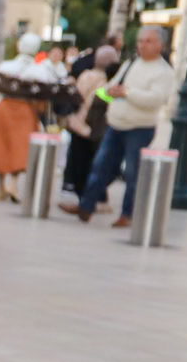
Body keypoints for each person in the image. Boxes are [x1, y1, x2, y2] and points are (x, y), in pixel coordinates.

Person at [75, 25, 177, 225]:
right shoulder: (131, 63)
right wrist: (108, 91)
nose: (143, 45)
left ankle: (127, 214)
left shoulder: (163, 72)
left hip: (139, 128)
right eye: (141, 40)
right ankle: (86, 206)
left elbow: (157, 99)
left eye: (149, 41)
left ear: (161, 46)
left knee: (132, 172)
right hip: (115, 124)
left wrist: (127, 93)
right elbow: (112, 85)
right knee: (100, 165)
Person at [0, 31, 65, 203]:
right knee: (21, 147)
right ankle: (13, 182)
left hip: (4, 107)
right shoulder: (40, 70)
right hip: (25, 109)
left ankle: (2, 185)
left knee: (2, 146)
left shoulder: (5, 66)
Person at [61, 44, 118, 197]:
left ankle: (78, 190)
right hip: (92, 125)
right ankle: (86, 192)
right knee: (90, 160)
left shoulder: (87, 75)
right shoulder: (107, 81)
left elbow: (76, 96)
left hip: (80, 123)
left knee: (79, 158)